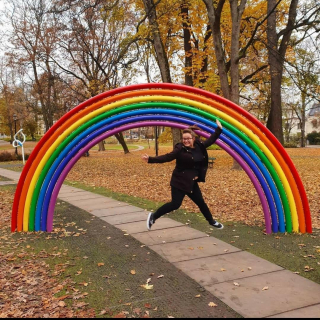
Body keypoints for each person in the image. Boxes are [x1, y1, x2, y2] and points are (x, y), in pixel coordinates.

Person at [142, 119, 224, 231]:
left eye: (188, 139)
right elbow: (167, 157)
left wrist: (219, 129)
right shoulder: (179, 148)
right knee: (175, 204)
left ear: (193, 139)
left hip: (191, 183)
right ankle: (153, 216)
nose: (186, 141)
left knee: (201, 202)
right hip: (179, 181)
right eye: (184, 139)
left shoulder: (199, 146)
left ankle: (211, 221)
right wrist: (150, 159)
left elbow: (211, 140)